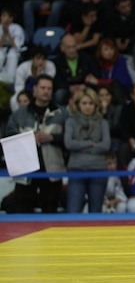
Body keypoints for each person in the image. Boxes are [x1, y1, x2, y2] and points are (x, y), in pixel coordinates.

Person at [4, 74, 68, 213]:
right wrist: (28, 138)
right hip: (25, 171)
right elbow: (8, 137)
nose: (46, 91)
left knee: (50, 212)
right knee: (23, 211)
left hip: (52, 170)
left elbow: (69, 138)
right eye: (43, 88)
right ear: (35, 89)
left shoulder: (62, 114)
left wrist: (52, 137)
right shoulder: (19, 114)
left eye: (49, 88)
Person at [64, 87, 110, 213]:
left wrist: (80, 147)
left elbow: (106, 145)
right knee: (73, 211)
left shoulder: (102, 122)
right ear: (78, 104)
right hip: (77, 169)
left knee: (96, 212)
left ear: (96, 105)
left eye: (91, 103)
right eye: (84, 103)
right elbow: (68, 143)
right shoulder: (71, 121)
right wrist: (90, 144)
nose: (87, 106)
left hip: (98, 169)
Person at [105, 0, 135, 81]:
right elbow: (108, 33)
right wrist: (116, 41)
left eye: (128, 5)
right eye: (123, 7)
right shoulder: (110, 16)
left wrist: (129, 41)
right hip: (115, 46)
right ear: (117, 7)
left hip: (133, 45)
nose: (127, 9)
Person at [52, 34, 97, 107]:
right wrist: (69, 88)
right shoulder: (57, 62)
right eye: (68, 47)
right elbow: (56, 81)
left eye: (74, 46)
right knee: (59, 95)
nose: (72, 50)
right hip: (66, 89)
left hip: (85, 88)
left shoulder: (87, 59)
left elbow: (95, 77)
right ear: (62, 48)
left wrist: (84, 86)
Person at [88, 38, 135, 105]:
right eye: (106, 49)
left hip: (123, 91)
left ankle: (121, 107)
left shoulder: (120, 61)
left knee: (115, 86)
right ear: (100, 51)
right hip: (106, 89)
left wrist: (98, 81)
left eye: (111, 49)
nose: (109, 52)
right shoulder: (98, 63)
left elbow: (118, 81)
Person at [10, 46, 56, 112]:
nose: (41, 61)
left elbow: (47, 85)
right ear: (32, 59)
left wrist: (39, 74)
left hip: (42, 91)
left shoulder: (50, 67)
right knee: (14, 99)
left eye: (43, 59)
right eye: (38, 58)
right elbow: (19, 88)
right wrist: (26, 97)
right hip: (25, 91)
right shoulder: (22, 68)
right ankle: (18, 116)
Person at [0, 8, 26, 89]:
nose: (1, 17)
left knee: (12, 55)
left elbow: (15, 46)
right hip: (2, 49)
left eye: (4, 15)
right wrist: (4, 33)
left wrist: (8, 33)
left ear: (11, 18)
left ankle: (10, 81)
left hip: (14, 49)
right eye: (2, 15)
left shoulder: (17, 28)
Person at [96, 84, 122, 152]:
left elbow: (113, 128)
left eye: (107, 95)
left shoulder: (117, 109)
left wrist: (104, 112)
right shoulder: (94, 109)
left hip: (113, 138)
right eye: (101, 95)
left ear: (111, 96)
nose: (105, 98)